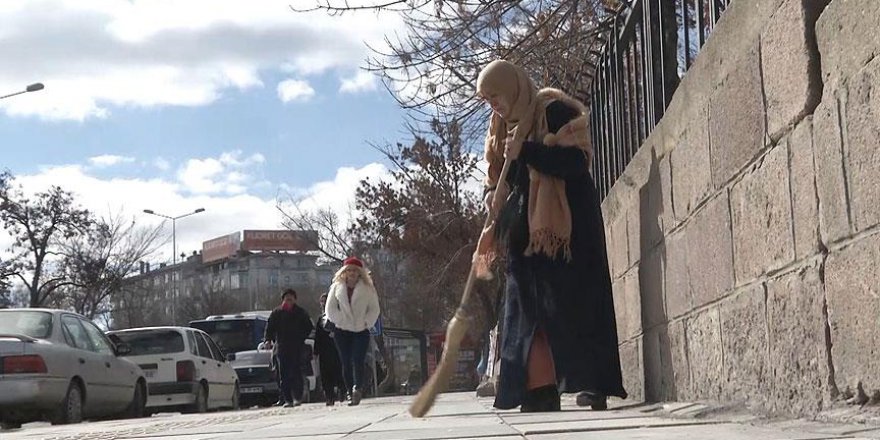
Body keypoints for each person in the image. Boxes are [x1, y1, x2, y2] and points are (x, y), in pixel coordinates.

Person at [475, 59, 628, 412]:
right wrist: (493, 196)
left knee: (578, 303)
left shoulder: (553, 111)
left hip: (568, 224)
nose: (493, 104)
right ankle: (538, 388)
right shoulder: (500, 128)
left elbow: (576, 162)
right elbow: (505, 176)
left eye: (495, 94)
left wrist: (527, 151)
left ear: (512, 86)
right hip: (527, 229)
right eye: (487, 99)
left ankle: (593, 384)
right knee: (525, 305)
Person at [324, 256, 380, 406]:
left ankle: (358, 388)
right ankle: (349, 392)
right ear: (344, 272)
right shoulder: (337, 287)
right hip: (342, 330)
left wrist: (367, 322)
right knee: (346, 361)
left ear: (360, 272)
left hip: (361, 330)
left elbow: (374, 308)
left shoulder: (368, 288)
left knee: (358, 359)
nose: (352, 273)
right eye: (349, 270)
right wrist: (340, 320)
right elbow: (330, 308)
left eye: (355, 270)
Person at [263, 288, 314, 407]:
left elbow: (308, 327)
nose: (288, 301)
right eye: (286, 299)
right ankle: (287, 399)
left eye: (291, 299)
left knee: (297, 372)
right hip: (281, 347)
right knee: (283, 374)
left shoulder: (300, 312)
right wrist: (268, 340)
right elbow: (269, 327)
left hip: (297, 347)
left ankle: (297, 397)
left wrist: (300, 338)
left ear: (295, 300)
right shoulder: (277, 313)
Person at [315, 292, 346, 405]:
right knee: (325, 375)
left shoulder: (338, 315)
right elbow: (317, 337)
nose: (323, 304)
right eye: (322, 302)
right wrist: (315, 352)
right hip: (324, 352)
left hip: (337, 350)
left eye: (325, 301)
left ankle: (343, 392)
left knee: (338, 373)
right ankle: (329, 397)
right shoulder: (320, 319)